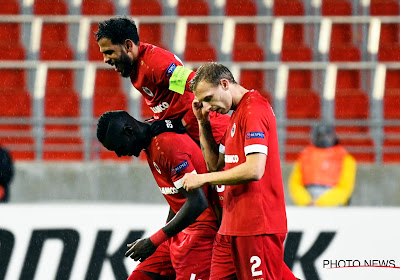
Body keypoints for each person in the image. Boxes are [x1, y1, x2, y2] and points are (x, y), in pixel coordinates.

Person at [181, 62, 297, 280]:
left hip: (256, 225)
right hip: (231, 228)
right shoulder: (236, 114)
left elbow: (255, 169)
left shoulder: (254, 110)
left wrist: (203, 180)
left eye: (208, 98)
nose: (207, 106)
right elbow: (215, 164)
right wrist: (203, 123)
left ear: (225, 84)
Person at [96, 110, 219, 280]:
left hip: (201, 235)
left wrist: (154, 240)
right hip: (179, 233)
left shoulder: (166, 145)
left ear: (129, 131)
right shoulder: (150, 140)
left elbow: (198, 202)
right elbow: (178, 195)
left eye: (119, 147)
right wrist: (166, 232)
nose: (119, 154)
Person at [95, 17, 230, 143]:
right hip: (196, 139)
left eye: (109, 52)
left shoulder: (155, 65)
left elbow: (202, 87)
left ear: (128, 46)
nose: (105, 60)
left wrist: (182, 123)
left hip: (218, 137)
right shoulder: (136, 66)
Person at [288, 122, 357, 207]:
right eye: (320, 135)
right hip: (308, 204)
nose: (324, 139)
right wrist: (306, 202)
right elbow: (295, 184)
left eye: (327, 135)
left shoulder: (345, 157)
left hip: (334, 206)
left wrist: (321, 203)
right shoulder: (305, 155)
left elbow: (345, 188)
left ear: (333, 136)